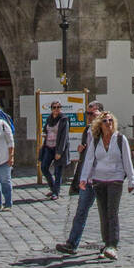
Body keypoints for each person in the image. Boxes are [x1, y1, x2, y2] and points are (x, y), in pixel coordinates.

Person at [79, 111, 134, 260]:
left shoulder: (120, 139)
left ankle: (113, 245)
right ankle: (106, 243)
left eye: (110, 120)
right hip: (98, 180)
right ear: (100, 125)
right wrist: (84, 178)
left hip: (116, 179)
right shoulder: (96, 141)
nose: (108, 123)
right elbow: (89, 160)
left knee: (112, 211)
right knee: (103, 213)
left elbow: (127, 160)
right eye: (105, 121)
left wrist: (131, 180)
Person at [56, 101, 105, 255]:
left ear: (101, 114)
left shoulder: (107, 132)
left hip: (103, 178)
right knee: (81, 212)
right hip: (88, 178)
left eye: (93, 114)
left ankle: (110, 244)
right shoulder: (87, 130)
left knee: (105, 213)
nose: (89, 117)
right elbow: (86, 157)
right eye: (87, 114)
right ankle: (72, 243)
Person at [40, 101, 70, 201]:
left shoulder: (64, 120)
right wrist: (44, 133)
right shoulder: (49, 118)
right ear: (51, 108)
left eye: (58, 107)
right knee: (44, 167)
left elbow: (64, 137)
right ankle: (53, 187)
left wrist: (59, 152)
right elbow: (45, 129)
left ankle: (56, 192)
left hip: (58, 148)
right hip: (48, 147)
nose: (56, 109)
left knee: (58, 172)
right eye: (54, 107)